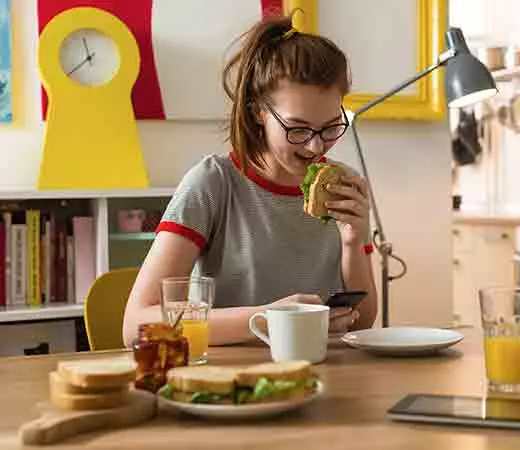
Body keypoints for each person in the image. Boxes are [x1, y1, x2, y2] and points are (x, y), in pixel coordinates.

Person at [122, 15, 377, 346]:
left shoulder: (342, 187)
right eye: (297, 129)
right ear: (258, 111)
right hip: (231, 380)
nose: (315, 147)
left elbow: (365, 320)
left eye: (331, 127)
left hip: (320, 374)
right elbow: (137, 325)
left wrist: (352, 242)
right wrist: (269, 319)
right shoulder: (214, 183)